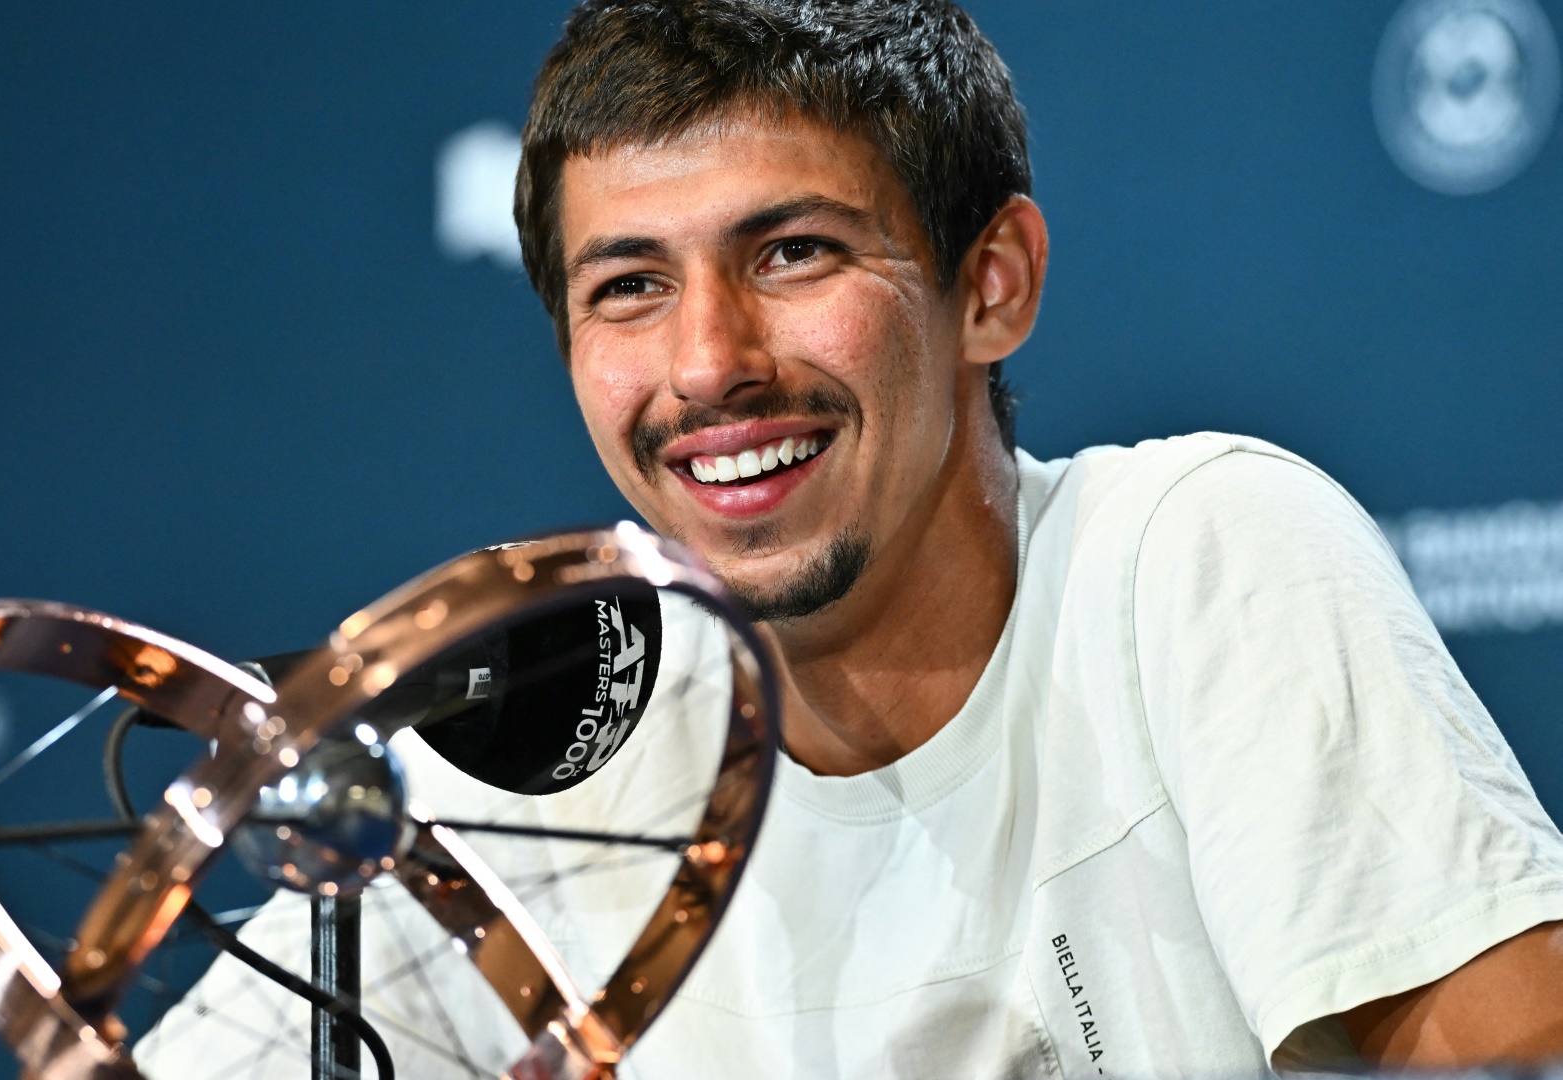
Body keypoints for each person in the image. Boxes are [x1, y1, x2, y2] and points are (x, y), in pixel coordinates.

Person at [504, 0, 1563, 1074]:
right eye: (630, 287)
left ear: (991, 283)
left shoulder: (1194, 558)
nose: (704, 362)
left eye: (791, 253)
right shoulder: (521, 801)